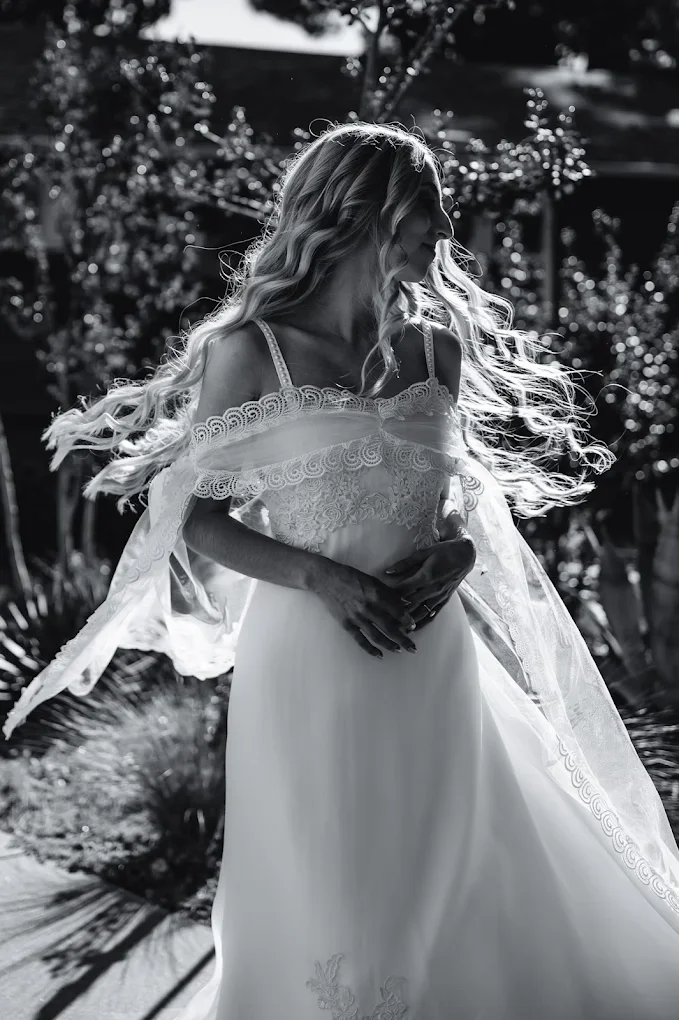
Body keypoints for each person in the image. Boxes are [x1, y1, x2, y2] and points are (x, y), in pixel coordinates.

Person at [4, 122, 679, 1018]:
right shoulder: (252, 351)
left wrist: (460, 552)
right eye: (427, 208)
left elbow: (455, 507)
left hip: (428, 650)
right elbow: (198, 521)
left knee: (445, 856)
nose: (445, 229)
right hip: (308, 652)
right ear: (367, 215)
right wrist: (323, 579)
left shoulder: (438, 347)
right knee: (326, 863)